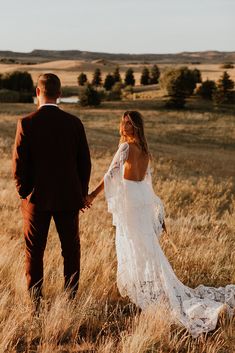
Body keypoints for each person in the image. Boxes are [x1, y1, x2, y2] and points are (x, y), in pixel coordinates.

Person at [86, 110, 235, 337]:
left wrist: (91, 196)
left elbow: (110, 175)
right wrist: (158, 215)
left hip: (131, 204)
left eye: (128, 124)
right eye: (123, 123)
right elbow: (148, 185)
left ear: (135, 127)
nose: (124, 127)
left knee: (135, 246)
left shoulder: (126, 148)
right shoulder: (145, 152)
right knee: (146, 248)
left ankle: (146, 291)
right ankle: (149, 287)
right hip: (141, 202)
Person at [12, 73, 91, 308]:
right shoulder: (74, 123)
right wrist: (80, 194)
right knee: (71, 250)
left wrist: (25, 192)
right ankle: (71, 299)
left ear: (38, 92)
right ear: (60, 95)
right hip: (68, 198)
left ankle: (36, 303)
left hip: (36, 199)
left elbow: (18, 165)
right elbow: (84, 163)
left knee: (34, 252)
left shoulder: (26, 123)